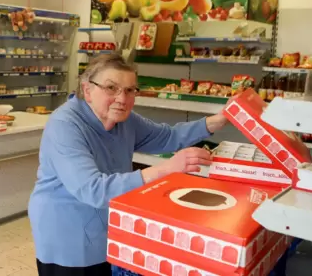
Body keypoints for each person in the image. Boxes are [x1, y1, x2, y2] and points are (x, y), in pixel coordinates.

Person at [28, 53, 231, 276]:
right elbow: (92, 189)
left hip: (107, 227)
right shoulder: (65, 125)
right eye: (111, 88)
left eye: (129, 90)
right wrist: (166, 169)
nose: (122, 98)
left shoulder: (124, 120)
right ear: (87, 90)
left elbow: (167, 137)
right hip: (67, 234)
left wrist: (216, 121)